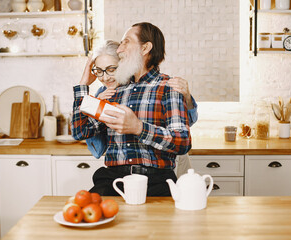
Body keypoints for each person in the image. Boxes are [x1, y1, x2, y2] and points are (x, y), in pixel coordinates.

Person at [72, 22, 193, 196]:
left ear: (145, 48)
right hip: (112, 180)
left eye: (125, 42)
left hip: (155, 180)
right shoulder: (113, 90)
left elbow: (183, 142)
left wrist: (138, 128)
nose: (119, 50)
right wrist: (83, 85)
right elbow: (80, 131)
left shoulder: (169, 87)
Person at [82, 40, 198, 177]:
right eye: (99, 71)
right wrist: (86, 89)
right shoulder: (103, 93)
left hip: (167, 162)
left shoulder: (157, 86)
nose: (105, 77)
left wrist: (188, 100)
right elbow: (95, 145)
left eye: (111, 69)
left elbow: (184, 126)